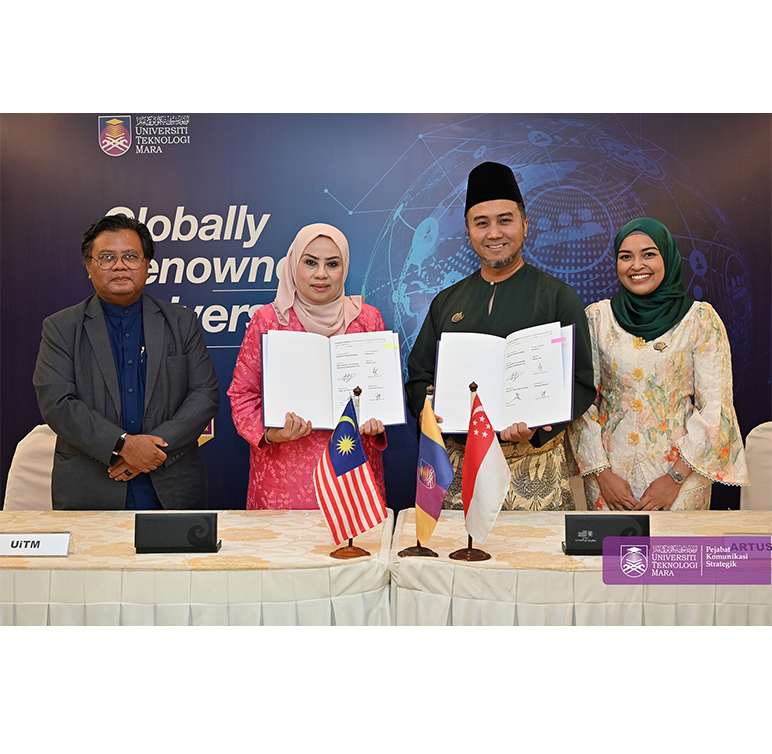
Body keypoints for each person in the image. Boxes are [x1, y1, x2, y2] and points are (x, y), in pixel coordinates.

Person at [405, 162, 596, 511]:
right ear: (468, 231)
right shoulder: (447, 302)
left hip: (535, 469)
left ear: (525, 225)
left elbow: (581, 384)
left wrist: (539, 426)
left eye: (504, 220)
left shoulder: (557, 297)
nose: (494, 233)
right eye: (482, 223)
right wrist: (426, 409)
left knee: (533, 562)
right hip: (459, 467)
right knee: (459, 563)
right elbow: (418, 377)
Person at [34, 214, 220, 511]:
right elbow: (58, 403)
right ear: (89, 267)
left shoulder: (182, 322)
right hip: (91, 486)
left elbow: (204, 395)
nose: (120, 266)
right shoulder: (61, 328)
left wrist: (151, 451)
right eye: (107, 257)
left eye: (131, 256)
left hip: (171, 487)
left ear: (147, 265)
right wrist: (123, 445)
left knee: (173, 561)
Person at [568, 217, 749, 511]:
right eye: (626, 257)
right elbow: (581, 400)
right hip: (611, 479)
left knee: (677, 557)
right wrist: (601, 473)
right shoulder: (598, 319)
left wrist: (675, 478)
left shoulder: (699, 320)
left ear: (668, 257)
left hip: (681, 481)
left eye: (649, 254)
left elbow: (716, 408)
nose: (636, 265)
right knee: (609, 557)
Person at [228, 223, 388, 510]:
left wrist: (378, 420)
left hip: (352, 475)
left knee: (356, 554)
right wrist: (274, 433)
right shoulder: (268, 321)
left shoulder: (368, 319)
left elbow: (381, 392)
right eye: (310, 262)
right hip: (284, 480)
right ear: (293, 265)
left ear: (345, 268)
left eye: (332, 264)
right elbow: (242, 396)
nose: (321, 274)